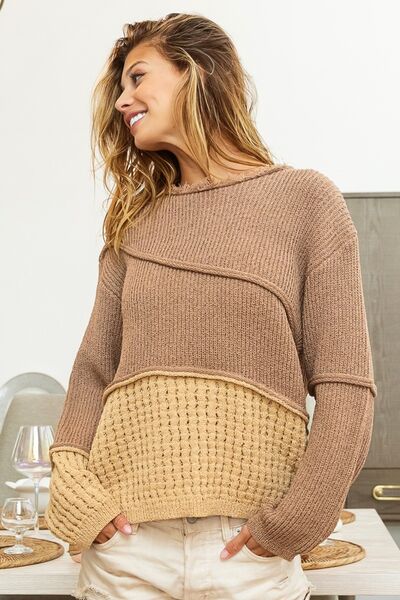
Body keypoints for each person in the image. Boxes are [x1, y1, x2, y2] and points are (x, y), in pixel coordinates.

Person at [45, 12, 377, 600]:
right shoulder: (134, 224)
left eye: (137, 77)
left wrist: (301, 517)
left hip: (247, 557)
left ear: (195, 71)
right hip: (125, 554)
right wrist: (73, 485)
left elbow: (346, 383)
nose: (123, 101)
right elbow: (94, 369)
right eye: (120, 88)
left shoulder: (305, 202)